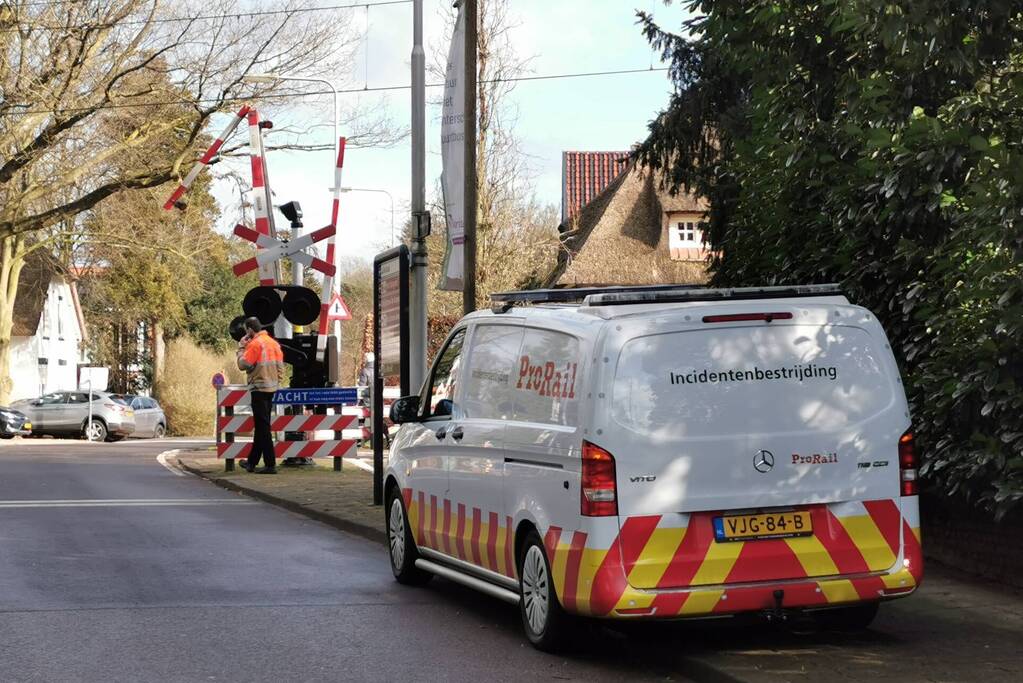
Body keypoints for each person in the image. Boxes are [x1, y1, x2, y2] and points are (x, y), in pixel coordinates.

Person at [236, 317, 284, 474]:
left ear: (250, 330)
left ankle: (270, 464)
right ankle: (252, 462)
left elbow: (243, 365)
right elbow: (280, 369)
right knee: (261, 425)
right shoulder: (273, 343)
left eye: (246, 331)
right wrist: (276, 383)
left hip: (258, 388)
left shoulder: (255, 344)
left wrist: (241, 347)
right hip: (271, 389)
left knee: (263, 428)